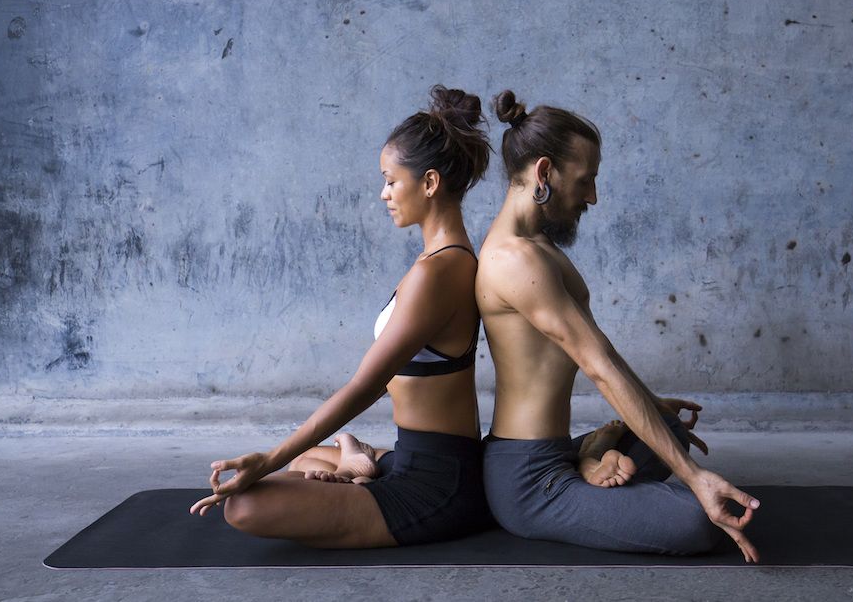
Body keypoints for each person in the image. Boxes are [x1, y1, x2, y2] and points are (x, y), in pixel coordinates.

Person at [188, 86, 495, 548]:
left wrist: (268, 459)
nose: (383, 193)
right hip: (422, 456)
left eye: (391, 180)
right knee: (309, 456)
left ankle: (359, 459)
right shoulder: (444, 260)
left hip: (438, 488)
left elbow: (364, 387)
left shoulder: (439, 271)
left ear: (429, 183)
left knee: (246, 506)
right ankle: (361, 456)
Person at [475, 90, 761, 561]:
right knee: (696, 520)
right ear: (544, 173)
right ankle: (590, 458)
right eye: (585, 180)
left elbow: (600, 346)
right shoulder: (514, 261)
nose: (592, 196)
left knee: (668, 425)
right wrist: (694, 478)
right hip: (530, 480)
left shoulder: (539, 246)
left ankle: (590, 454)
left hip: (551, 455)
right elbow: (599, 367)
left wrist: (649, 404)